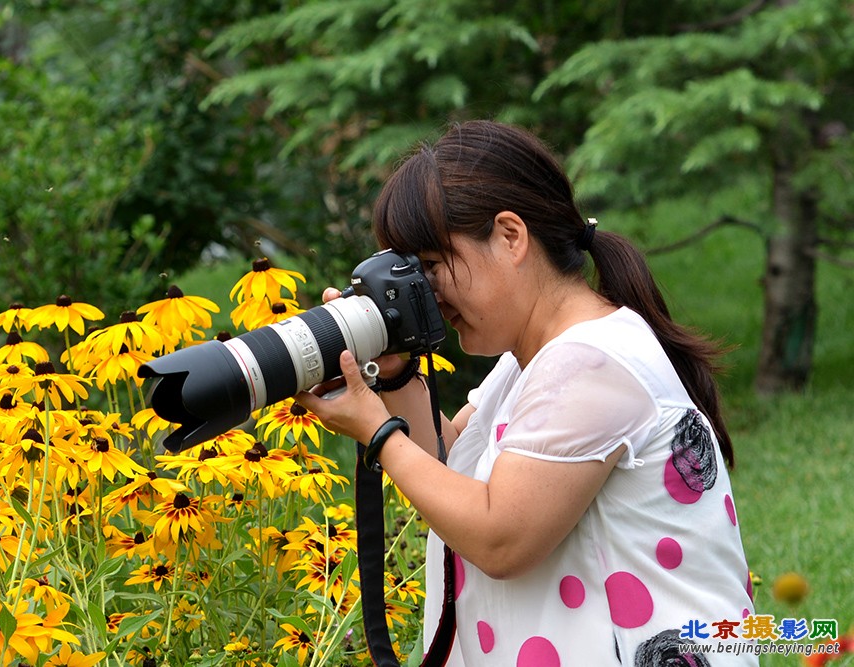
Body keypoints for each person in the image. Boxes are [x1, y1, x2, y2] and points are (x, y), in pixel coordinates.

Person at [295, 120, 755, 666]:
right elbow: (451, 460)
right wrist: (393, 377)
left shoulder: (590, 364)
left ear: (511, 237)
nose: (427, 296)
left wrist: (376, 433)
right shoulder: (534, 361)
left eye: (432, 267)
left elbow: (499, 538)